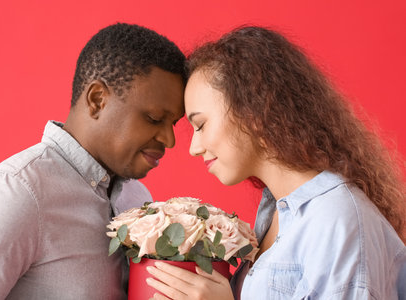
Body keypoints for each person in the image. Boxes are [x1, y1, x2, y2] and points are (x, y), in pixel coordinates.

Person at [146, 26, 406, 299]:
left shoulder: (336, 219)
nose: (193, 148)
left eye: (200, 125)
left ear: (254, 111)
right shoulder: (275, 214)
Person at [0, 23, 186, 299]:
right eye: (154, 119)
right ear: (97, 99)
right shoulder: (17, 193)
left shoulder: (137, 197)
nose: (170, 140)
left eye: (173, 124)